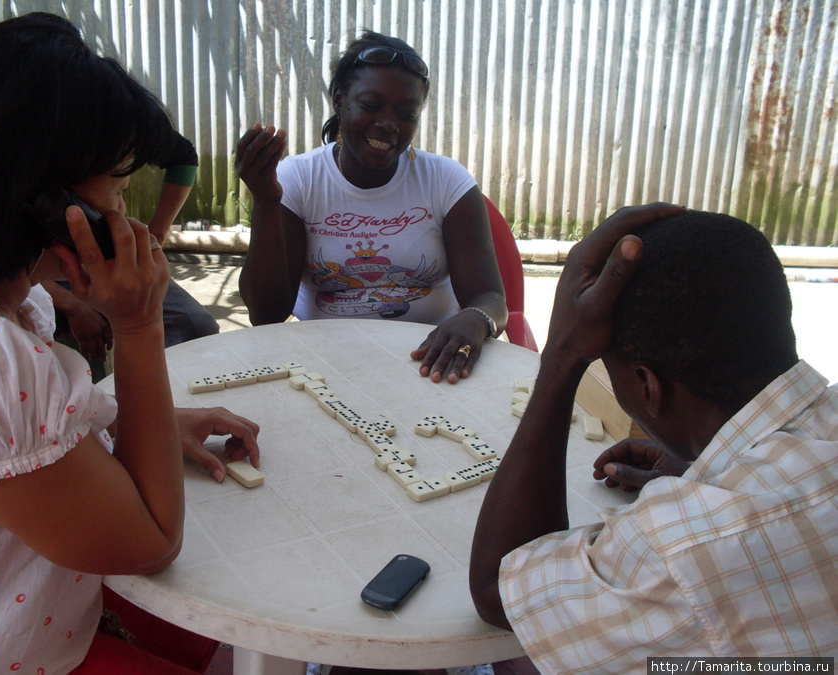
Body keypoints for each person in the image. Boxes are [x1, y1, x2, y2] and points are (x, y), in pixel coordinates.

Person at [0, 13, 261, 673]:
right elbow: (153, 539)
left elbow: (39, 439)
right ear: (43, 199)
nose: (126, 213)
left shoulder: (3, 299)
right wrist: (138, 326)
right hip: (1, 653)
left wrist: (148, 424)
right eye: (117, 185)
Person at [469, 203, 838, 671]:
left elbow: (500, 591)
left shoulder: (673, 548)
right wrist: (709, 475)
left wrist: (563, 353)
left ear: (648, 385)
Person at [236, 30, 507, 384]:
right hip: (323, 363)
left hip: (430, 360)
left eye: (407, 114)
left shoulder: (445, 180)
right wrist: (267, 203)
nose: (389, 124)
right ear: (339, 100)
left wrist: (475, 318)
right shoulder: (298, 179)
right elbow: (266, 315)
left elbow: (491, 299)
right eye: (370, 105)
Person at [42, 92, 220, 366]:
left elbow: (183, 155)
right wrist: (136, 325)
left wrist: (155, 236)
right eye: (118, 192)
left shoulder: (110, 116)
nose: (123, 212)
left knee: (195, 324)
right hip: (50, 282)